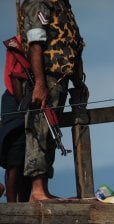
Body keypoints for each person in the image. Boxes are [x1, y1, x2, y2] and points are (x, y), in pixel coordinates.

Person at [20, 0, 87, 202]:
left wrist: (78, 82)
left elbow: (72, 45)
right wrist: (40, 83)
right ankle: (37, 190)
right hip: (46, 77)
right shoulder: (39, 2)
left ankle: (44, 190)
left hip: (60, 78)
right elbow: (35, 43)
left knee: (51, 133)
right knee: (40, 129)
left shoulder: (62, 5)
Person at [0, 36, 30, 202]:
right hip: (16, 102)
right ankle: (13, 205)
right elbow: (15, 76)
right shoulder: (22, 43)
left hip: (18, 102)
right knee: (15, 157)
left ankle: (21, 202)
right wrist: (23, 105)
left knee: (24, 158)